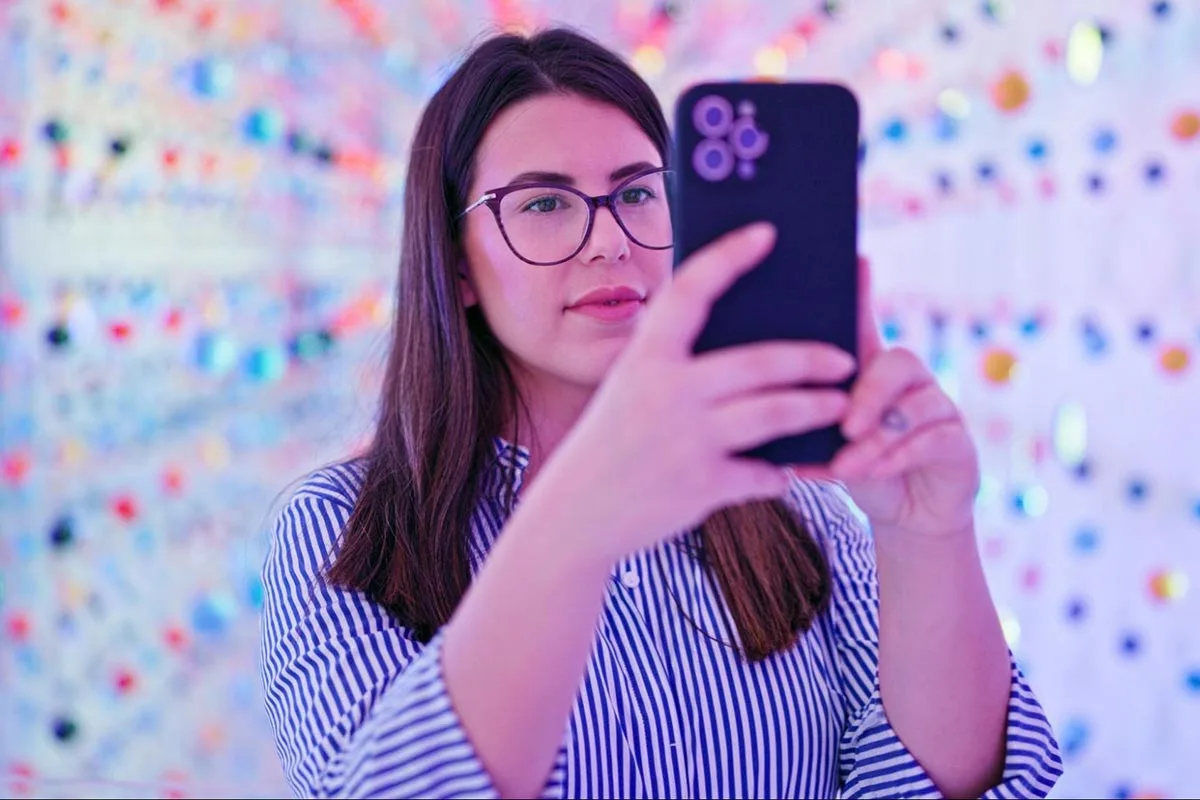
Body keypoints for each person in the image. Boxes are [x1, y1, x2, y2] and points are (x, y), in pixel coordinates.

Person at [258, 26, 1063, 800]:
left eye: (638, 193)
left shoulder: (798, 511)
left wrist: (927, 533)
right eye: (543, 204)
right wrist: (583, 510)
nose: (610, 241)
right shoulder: (341, 531)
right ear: (455, 263)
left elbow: (939, 784)